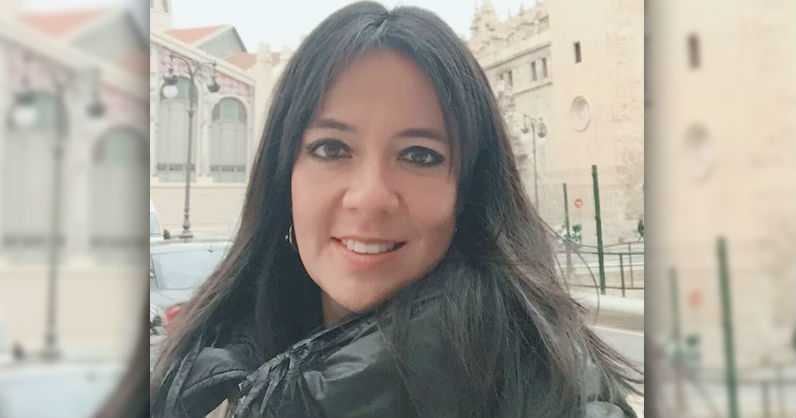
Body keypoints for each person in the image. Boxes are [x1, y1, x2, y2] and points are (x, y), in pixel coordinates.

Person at [150, 2, 641, 417]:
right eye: (331, 149)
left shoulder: (552, 393)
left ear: (470, 191)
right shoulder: (205, 373)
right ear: (283, 178)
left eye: (419, 156)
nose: (370, 197)